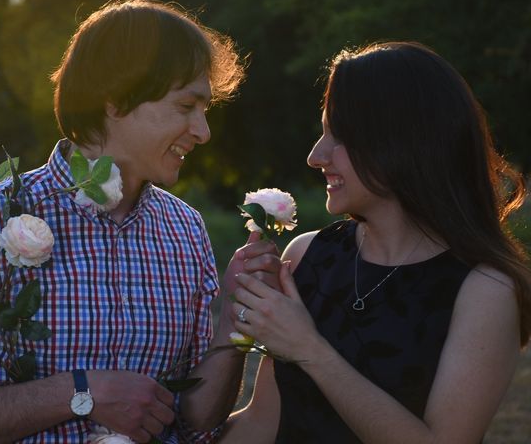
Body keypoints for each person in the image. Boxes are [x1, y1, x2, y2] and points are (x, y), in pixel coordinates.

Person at [0, 0, 279, 443]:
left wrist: (233, 321)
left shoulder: (186, 231)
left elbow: (191, 425)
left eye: (205, 110)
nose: (203, 131)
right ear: (115, 98)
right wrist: (80, 391)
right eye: (185, 107)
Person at [221, 41, 531, 443]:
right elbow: (260, 423)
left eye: (339, 135)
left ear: (401, 141)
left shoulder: (485, 290)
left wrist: (309, 349)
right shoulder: (307, 256)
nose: (316, 156)